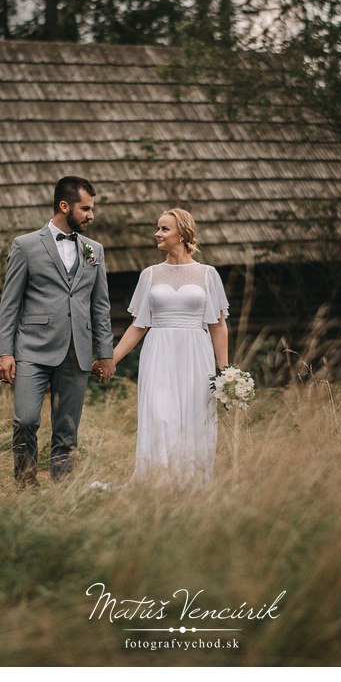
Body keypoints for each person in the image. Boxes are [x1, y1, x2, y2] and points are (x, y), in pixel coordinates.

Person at [0, 176, 116, 486]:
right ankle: (26, 484)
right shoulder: (25, 245)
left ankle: (63, 491)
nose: (91, 215)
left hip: (76, 352)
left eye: (92, 209)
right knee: (26, 420)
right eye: (85, 208)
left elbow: (100, 306)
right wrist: (5, 351)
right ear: (65, 206)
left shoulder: (94, 250)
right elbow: (10, 303)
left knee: (66, 428)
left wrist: (105, 354)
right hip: (32, 350)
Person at [108, 208, 229, 487]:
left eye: (164, 229)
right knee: (160, 414)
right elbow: (138, 325)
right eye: (158, 228)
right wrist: (110, 359)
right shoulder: (149, 275)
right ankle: (158, 481)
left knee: (194, 416)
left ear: (183, 234)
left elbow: (218, 325)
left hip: (196, 354)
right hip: (158, 352)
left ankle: (191, 482)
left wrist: (224, 370)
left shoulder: (208, 275)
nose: (157, 234)